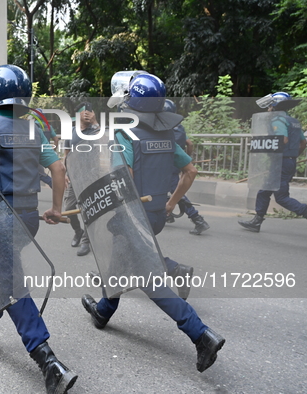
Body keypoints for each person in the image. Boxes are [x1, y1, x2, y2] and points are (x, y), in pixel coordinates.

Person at [81, 73, 225, 373]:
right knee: (120, 264)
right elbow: (190, 172)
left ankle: (201, 335)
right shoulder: (167, 136)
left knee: (150, 281)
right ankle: (103, 311)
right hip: (157, 215)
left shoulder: (126, 135)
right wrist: (171, 204)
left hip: (134, 217)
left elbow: (125, 180)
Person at [0, 64, 77, 394]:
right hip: (29, 218)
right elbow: (58, 169)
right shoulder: (34, 131)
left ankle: (48, 362)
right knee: (3, 272)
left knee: (11, 282)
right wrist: (56, 209)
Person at [239, 92, 307, 231]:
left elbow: (283, 139)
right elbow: (303, 143)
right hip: (287, 162)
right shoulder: (293, 121)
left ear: (275, 105)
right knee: (264, 191)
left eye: (270, 105)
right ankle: (257, 221)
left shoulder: (277, 120)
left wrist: (276, 155)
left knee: (281, 197)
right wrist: (292, 156)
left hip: (280, 163)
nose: (268, 108)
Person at [162, 99, 210, 235]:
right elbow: (189, 143)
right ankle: (168, 215)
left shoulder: (163, 130)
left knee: (177, 193)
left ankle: (197, 218)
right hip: (176, 165)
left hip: (167, 167)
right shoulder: (179, 128)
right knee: (166, 190)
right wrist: (186, 159)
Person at [63, 102, 100, 256]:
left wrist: (96, 123)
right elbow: (67, 153)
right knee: (69, 209)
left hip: (92, 175)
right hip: (74, 175)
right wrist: (66, 172)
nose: (86, 114)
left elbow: (106, 143)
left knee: (89, 209)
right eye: (84, 112)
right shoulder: (71, 132)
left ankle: (86, 240)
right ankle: (78, 232)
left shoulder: (96, 131)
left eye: (89, 112)